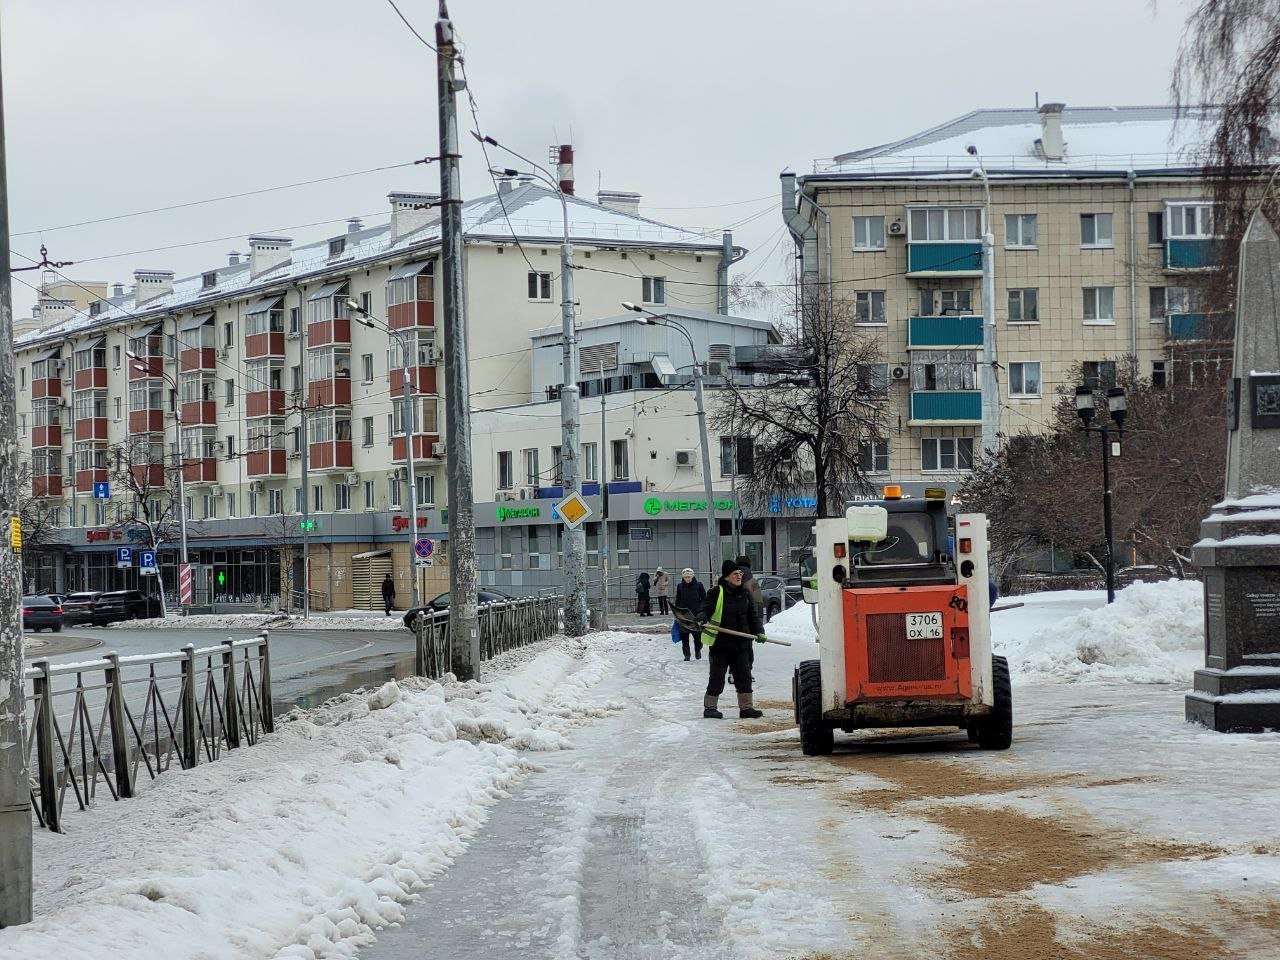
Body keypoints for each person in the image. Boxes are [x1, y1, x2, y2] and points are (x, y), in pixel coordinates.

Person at [699, 559, 766, 719]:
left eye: (740, 573)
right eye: (735, 574)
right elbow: (706, 607)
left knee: (744, 676)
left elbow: (752, 615)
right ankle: (710, 707)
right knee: (717, 676)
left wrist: (759, 631)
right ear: (727, 577)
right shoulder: (717, 592)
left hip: (741, 644)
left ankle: (746, 708)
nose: (739, 576)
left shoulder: (745, 593)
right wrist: (701, 616)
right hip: (721, 644)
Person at [673, 567, 706, 661]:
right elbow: (678, 600)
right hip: (683, 615)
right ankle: (687, 655)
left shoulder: (699, 585)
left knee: (697, 636)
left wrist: (701, 611)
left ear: (692, 576)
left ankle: (698, 650)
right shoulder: (680, 586)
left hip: (696, 615)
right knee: (684, 637)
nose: (687, 579)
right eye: (685, 577)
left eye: (689, 577)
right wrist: (676, 612)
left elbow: (704, 599)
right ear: (683, 577)